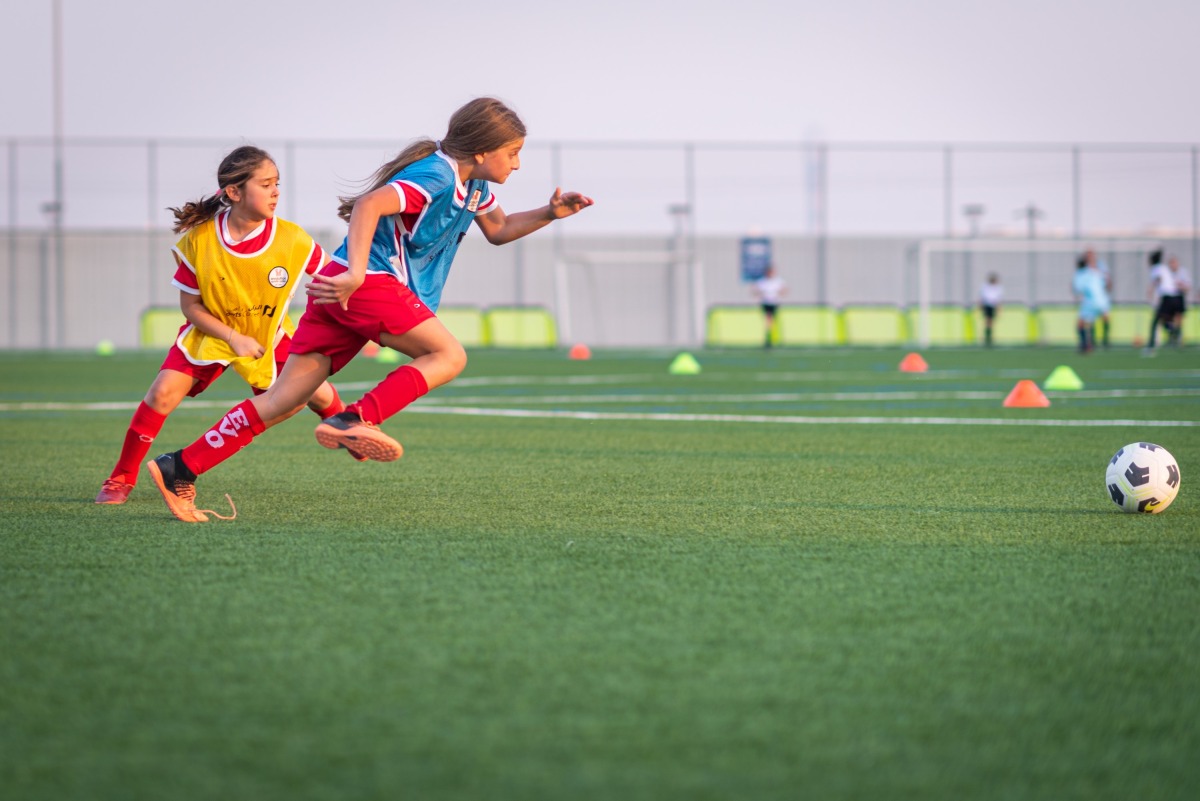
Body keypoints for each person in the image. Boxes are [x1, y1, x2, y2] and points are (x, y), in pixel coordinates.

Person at [146, 97, 594, 522]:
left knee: (284, 400)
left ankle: (180, 467)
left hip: (338, 287)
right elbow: (370, 204)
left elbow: (499, 230)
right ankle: (356, 419)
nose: (517, 163)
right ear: (480, 151)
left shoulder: (471, 185)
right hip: (366, 284)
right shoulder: (436, 176)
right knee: (449, 356)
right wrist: (357, 273)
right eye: (513, 152)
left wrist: (550, 213)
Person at [94, 145, 354, 506]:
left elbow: (332, 280)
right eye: (266, 184)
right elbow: (191, 307)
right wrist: (233, 336)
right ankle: (121, 478)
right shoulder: (200, 240)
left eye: (277, 183)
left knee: (316, 392)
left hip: (267, 336)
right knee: (161, 394)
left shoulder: (293, 239)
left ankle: (348, 427)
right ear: (234, 192)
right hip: (210, 335)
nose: (276, 191)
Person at [1147, 251, 1189, 351]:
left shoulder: (1155, 268)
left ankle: (1151, 345)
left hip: (1168, 297)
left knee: (1156, 321)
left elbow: (1158, 279)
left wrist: (1151, 289)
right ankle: (1175, 333)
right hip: (1175, 296)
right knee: (1167, 320)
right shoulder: (1164, 267)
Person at [1073, 255, 1110, 354]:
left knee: (1080, 324)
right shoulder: (1094, 272)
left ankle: (1085, 345)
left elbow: (1078, 289)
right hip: (1102, 300)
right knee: (1099, 320)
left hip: (1091, 301)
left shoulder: (1080, 274)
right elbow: (1104, 284)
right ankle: (1104, 340)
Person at [1081, 248, 1112, 348]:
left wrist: (1108, 285)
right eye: (1087, 255)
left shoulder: (1101, 266)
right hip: (1090, 299)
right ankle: (1092, 341)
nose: (1089, 257)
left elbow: (1107, 278)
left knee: (1105, 317)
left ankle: (1105, 339)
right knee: (1089, 320)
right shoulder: (1084, 269)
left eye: (1090, 255)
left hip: (1101, 297)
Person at [752, 265, 786, 347]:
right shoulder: (762, 281)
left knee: (772, 322)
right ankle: (769, 339)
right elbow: (755, 291)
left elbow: (784, 290)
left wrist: (778, 293)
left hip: (774, 303)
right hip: (766, 303)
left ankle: (773, 338)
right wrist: (761, 294)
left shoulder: (778, 281)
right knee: (768, 321)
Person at [978, 272, 1002, 347]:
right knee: (987, 320)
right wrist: (981, 305)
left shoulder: (998, 287)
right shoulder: (985, 286)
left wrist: (998, 308)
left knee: (991, 321)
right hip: (987, 305)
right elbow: (982, 297)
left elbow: (998, 298)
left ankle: (989, 336)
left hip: (993, 305)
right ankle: (987, 336)